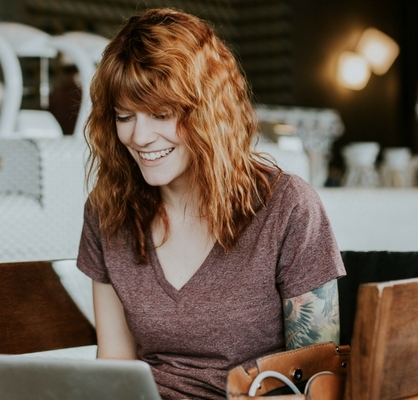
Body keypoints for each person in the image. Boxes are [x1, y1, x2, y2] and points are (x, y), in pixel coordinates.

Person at [76, 8, 346, 400]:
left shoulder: (288, 207)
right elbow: (115, 361)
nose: (140, 136)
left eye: (162, 114)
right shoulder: (107, 211)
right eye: (124, 116)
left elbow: (318, 382)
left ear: (209, 112)